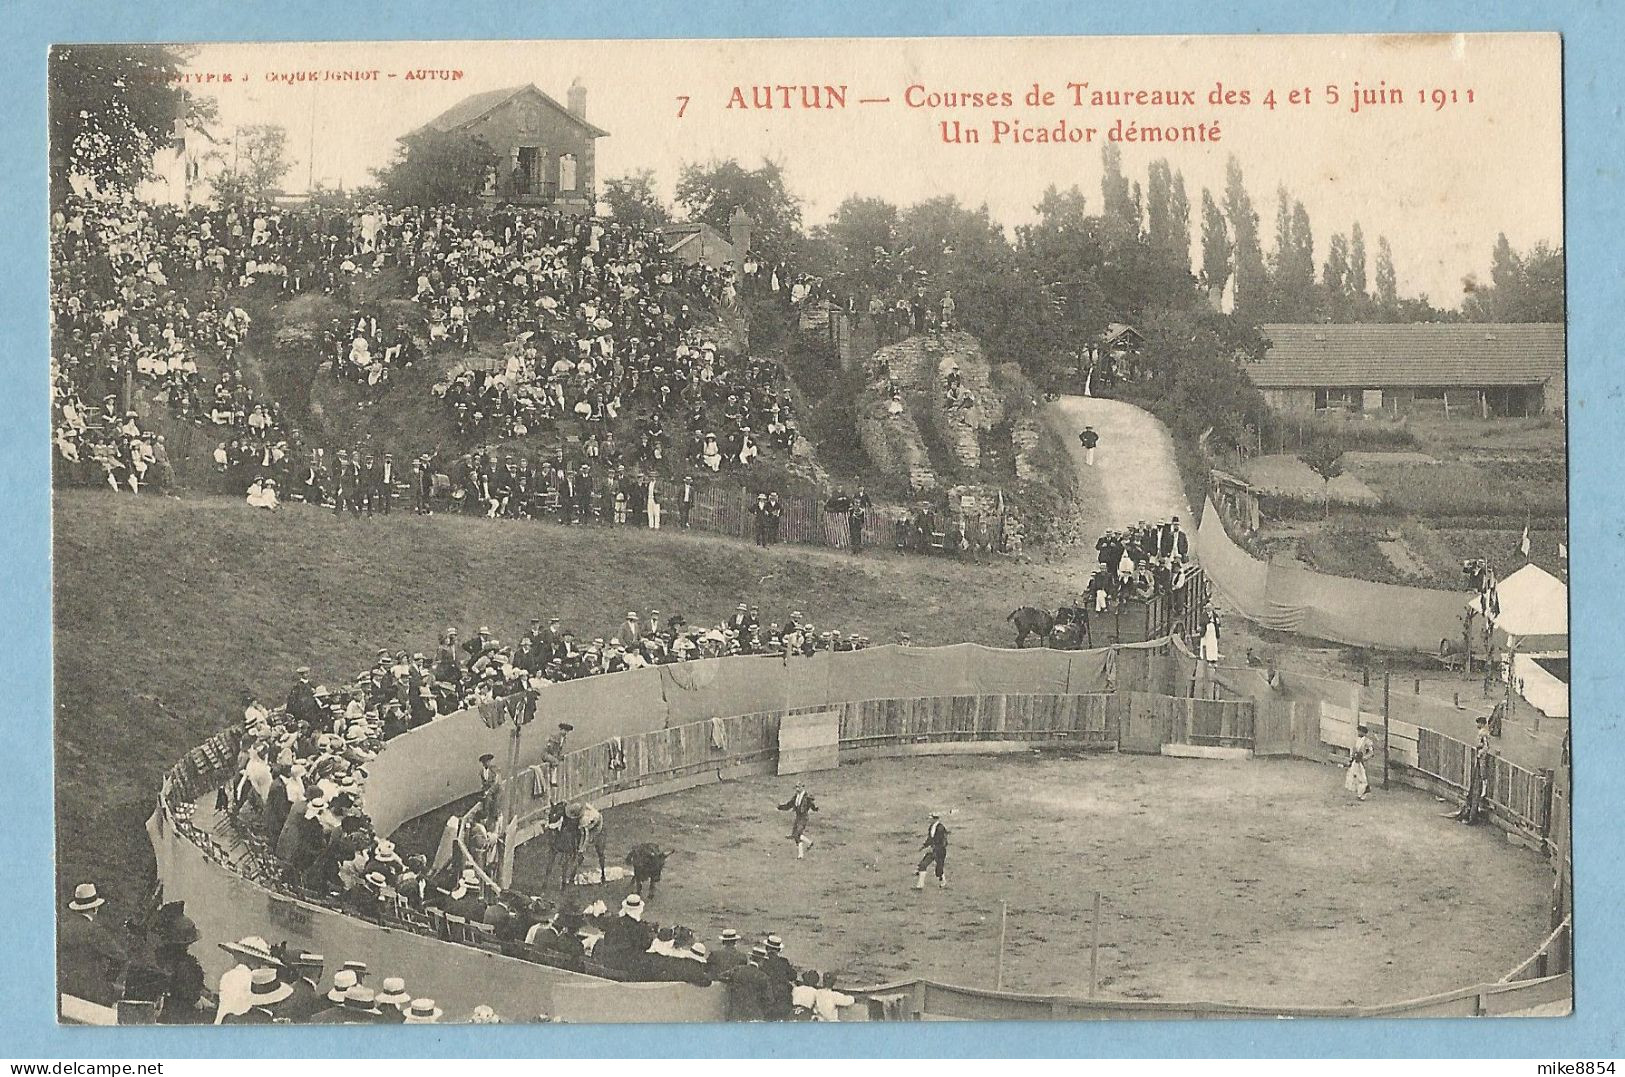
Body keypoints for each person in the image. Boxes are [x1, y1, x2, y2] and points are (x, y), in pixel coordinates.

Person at [58, 882, 128, 1009]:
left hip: (64, 989)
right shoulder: (94, 931)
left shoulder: (63, 928)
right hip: (92, 991)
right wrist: (108, 980)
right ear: (95, 908)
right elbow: (120, 957)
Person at [777, 782, 819, 859]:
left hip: (803, 817)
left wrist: (815, 809)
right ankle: (809, 843)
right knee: (796, 835)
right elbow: (789, 805)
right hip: (798, 817)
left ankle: (801, 855)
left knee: (797, 834)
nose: (797, 789)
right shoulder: (796, 796)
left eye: (798, 787)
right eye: (796, 787)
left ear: (803, 787)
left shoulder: (807, 797)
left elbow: (812, 805)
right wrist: (780, 807)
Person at [914, 811, 949, 889]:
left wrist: (934, 848)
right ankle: (920, 885)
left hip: (940, 852)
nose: (929, 819)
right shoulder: (931, 827)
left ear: (935, 819)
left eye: (930, 818)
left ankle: (943, 881)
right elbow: (930, 839)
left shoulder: (941, 828)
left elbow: (943, 842)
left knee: (939, 870)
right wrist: (923, 846)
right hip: (932, 851)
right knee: (923, 865)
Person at [1345, 724, 1376, 802]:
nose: (1359, 733)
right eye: (1358, 731)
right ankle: (1359, 793)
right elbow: (1354, 750)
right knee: (1354, 776)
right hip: (1356, 761)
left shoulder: (1368, 742)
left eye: (1360, 731)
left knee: (1363, 778)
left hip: (1362, 762)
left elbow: (1371, 753)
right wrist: (1352, 757)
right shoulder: (1356, 740)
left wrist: (1364, 758)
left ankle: (1363, 794)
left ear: (1364, 733)